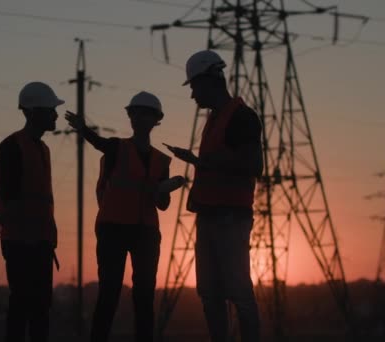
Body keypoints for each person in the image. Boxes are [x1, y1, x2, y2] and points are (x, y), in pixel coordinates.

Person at [66, 91, 184, 342]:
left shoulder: (162, 161)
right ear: (131, 118)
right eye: (136, 113)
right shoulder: (117, 148)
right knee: (109, 294)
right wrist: (83, 129)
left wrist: (162, 190)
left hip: (146, 234)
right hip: (114, 230)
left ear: (156, 120)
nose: (140, 118)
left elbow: (162, 205)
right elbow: (98, 142)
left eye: (145, 114)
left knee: (144, 297)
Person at [165, 50, 264, 342]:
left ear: (211, 81)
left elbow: (253, 165)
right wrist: (197, 163)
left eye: (194, 86)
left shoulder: (242, 117)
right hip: (209, 216)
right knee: (209, 294)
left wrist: (202, 162)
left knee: (239, 293)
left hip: (231, 217)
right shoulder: (216, 119)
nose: (193, 94)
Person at [0, 81, 64, 342]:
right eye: (50, 110)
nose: (55, 115)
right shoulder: (11, 147)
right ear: (33, 112)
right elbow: (11, 199)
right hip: (21, 242)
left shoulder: (42, 149)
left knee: (41, 309)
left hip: (40, 242)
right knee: (22, 305)